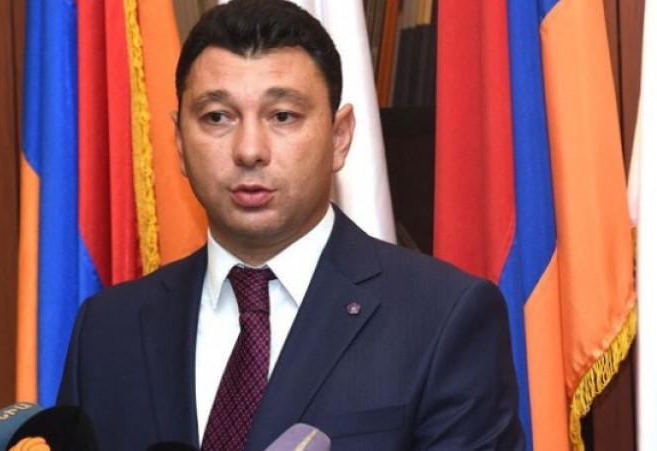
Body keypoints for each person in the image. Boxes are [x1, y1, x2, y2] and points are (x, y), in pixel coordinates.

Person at [57, 0, 524, 449]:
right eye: (217, 117)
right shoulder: (106, 330)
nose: (249, 150)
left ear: (339, 137)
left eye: (283, 116)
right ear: (180, 142)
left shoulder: (442, 317)